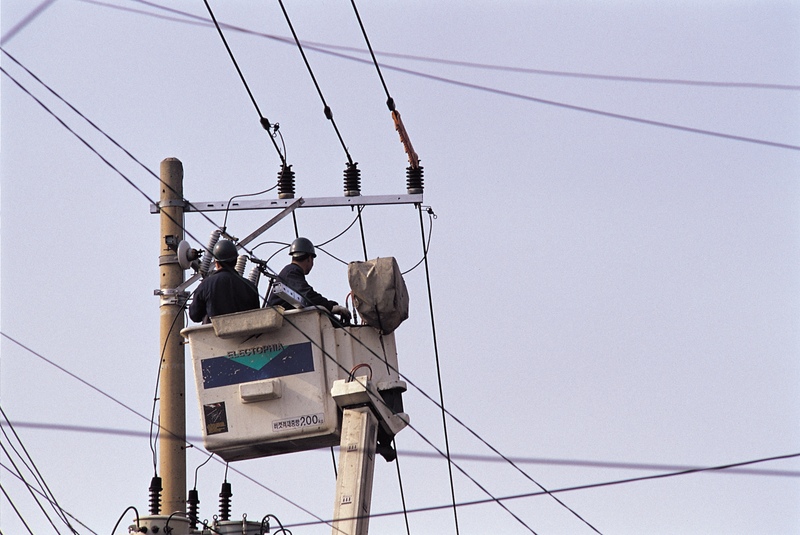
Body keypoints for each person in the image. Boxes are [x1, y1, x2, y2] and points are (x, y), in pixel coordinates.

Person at [267, 237, 351, 322]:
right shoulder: (292, 272)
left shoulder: (290, 271)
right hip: (278, 323)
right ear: (309, 258)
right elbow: (308, 295)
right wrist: (331, 307)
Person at [189, 239, 260, 324]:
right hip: (244, 332)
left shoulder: (205, 285)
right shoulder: (250, 287)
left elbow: (195, 316)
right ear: (236, 261)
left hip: (213, 332)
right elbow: (256, 318)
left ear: (216, 262)